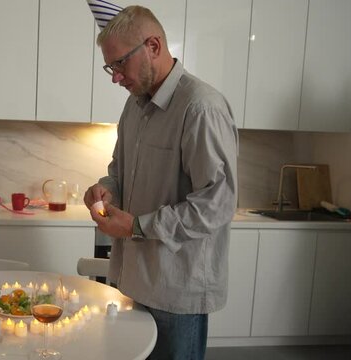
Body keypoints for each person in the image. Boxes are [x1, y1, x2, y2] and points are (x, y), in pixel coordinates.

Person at [83, 5, 238, 360]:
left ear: (153, 46)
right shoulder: (134, 106)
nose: (115, 77)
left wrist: (137, 225)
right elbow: (119, 170)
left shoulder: (200, 108)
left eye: (119, 63)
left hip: (176, 291)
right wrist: (107, 189)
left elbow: (218, 204)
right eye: (111, 67)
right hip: (133, 282)